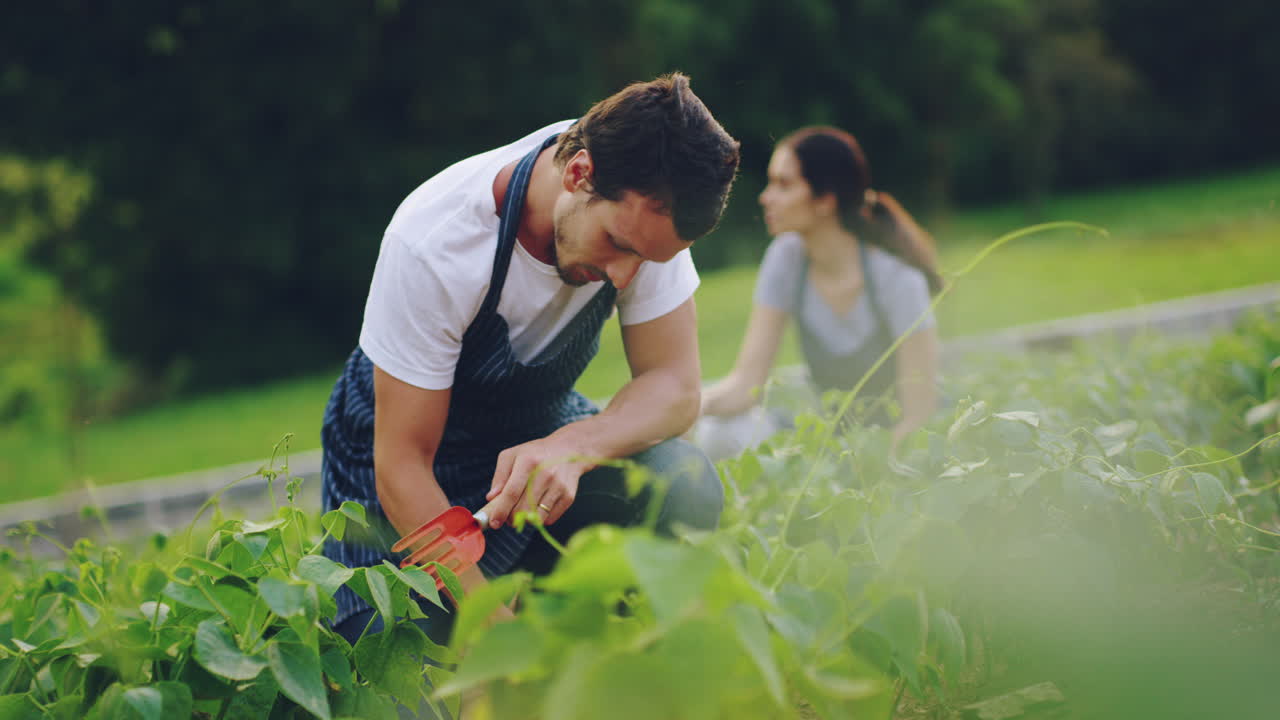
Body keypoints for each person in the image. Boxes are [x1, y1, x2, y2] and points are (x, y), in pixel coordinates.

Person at [321, 73, 740, 653]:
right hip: (398, 477)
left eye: (648, 260)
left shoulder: (646, 215)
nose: (624, 278)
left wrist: (575, 445)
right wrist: (493, 633)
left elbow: (675, 387)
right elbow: (401, 464)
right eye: (619, 247)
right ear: (578, 174)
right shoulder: (436, 240)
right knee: (385, 665)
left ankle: (574, 648)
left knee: (680, 481)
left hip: (532, 436)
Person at [696, 126, 942, 460]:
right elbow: (746, 385)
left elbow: (919, 416)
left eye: (783, 184)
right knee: (718, 432)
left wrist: (868, 470)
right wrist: (689, 409)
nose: (765, 197)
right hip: (831, 451)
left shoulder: (899, 282)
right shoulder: (786, 258)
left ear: (825, 200)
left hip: (895, 457)